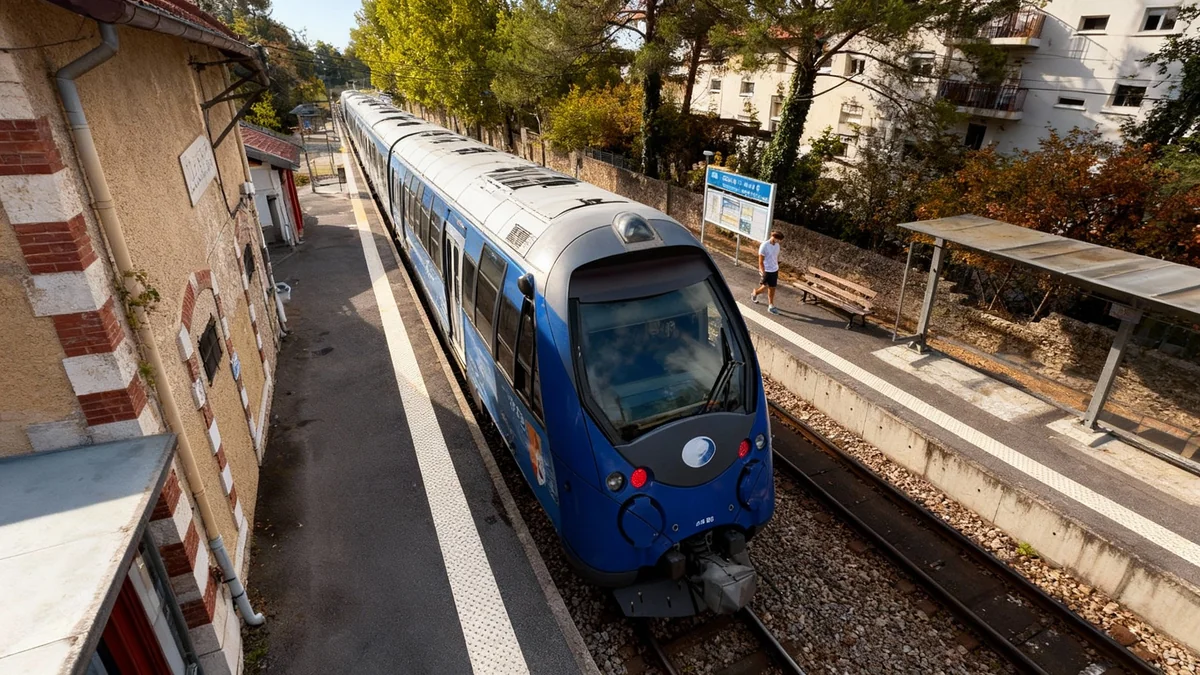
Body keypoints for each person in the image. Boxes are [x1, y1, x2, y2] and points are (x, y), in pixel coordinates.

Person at [751, 230, 784, 314]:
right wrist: (762, 272)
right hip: (767, 270)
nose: (779, 242)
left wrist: (776, 264)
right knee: (765, 287)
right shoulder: (764, 246)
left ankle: (771, 306)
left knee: (772, 288)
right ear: (774, 237)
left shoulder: (777, 245)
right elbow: (760, 262)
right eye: (778, 240)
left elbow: (775, 257)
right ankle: (755, 293)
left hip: (774, 269)